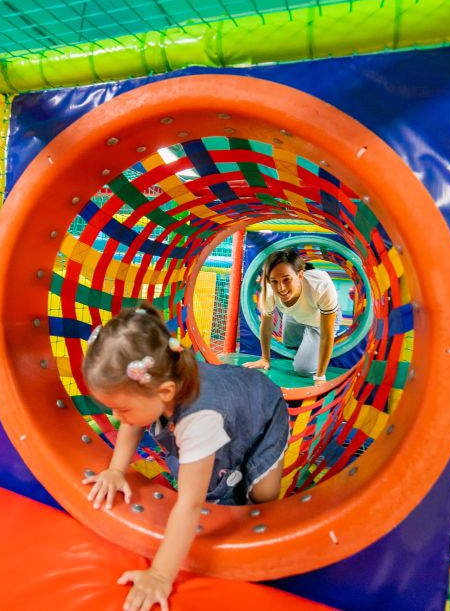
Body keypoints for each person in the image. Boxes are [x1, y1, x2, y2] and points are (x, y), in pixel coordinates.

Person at [82, 305, 289, 611]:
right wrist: (116, 470)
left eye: (122, 408)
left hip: (262, 411)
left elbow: (190, 505)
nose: (116, 416)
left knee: (262, 496)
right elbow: (131, 422)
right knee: (204, 474)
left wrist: (160, 575)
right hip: (228, 400)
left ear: (166, 392)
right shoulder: (158, 385)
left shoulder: (199, 418)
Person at [243, 249, 339, 380]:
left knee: (304, 369)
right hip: (295, 314)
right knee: (288, 343)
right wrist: (265, 358)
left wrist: (320, 376)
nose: (281, 288)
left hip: (319, 319)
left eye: (286, 279)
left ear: (300, 276)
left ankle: (311, 342)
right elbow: (266, 326)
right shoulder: (269, 291)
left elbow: (327, 336)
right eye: (274, 281)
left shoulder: (321, 286)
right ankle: (307, 342)